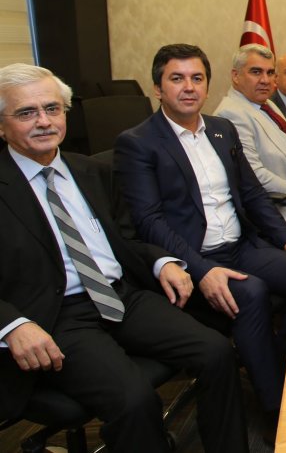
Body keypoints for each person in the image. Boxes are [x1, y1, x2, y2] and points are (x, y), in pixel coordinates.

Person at [0, 63, 247, 453]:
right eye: (26, 112)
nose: (44, 121)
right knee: (134, 399)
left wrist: (162, 262)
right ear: (2, 126)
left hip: (121, 295)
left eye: (52, 109)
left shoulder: (91, 170)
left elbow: (127, 238)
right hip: (57, 316)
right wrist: (12, 325)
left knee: (217, 351)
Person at [114, 44, 286, 425]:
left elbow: (251, 193)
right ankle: (274, 409)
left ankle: (285, 370)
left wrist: (285, 239)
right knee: (252, 292)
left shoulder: (221, 130)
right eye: (177, 78)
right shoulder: (138, 142)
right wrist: (201, 270)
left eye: (197, 78)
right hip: (192, 258)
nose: (189, 87)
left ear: (207, 85)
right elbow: (150, 221)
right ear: (158, 88)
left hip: (242, 246)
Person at [214, 44, 286, 246]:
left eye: (270, 73)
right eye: (256, 72)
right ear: (235, 76)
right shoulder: (231, 114)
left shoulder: (266, 104)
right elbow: (255, 176)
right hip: (275, 208)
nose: (265, 80)